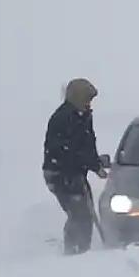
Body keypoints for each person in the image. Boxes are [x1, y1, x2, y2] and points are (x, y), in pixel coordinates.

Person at [42, 78, 108, 255]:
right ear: (76, 97)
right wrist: (87, 165)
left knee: (85, 209)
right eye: (86, 99)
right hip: (59, 173)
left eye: (91, 100)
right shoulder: (62, 118)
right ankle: (75, 251)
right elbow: (66, 151)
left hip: (75, 172)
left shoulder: (84, 116)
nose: (89, 103)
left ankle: (81, 249)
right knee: (80, 213)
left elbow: (88, 144)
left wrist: (96, 165)